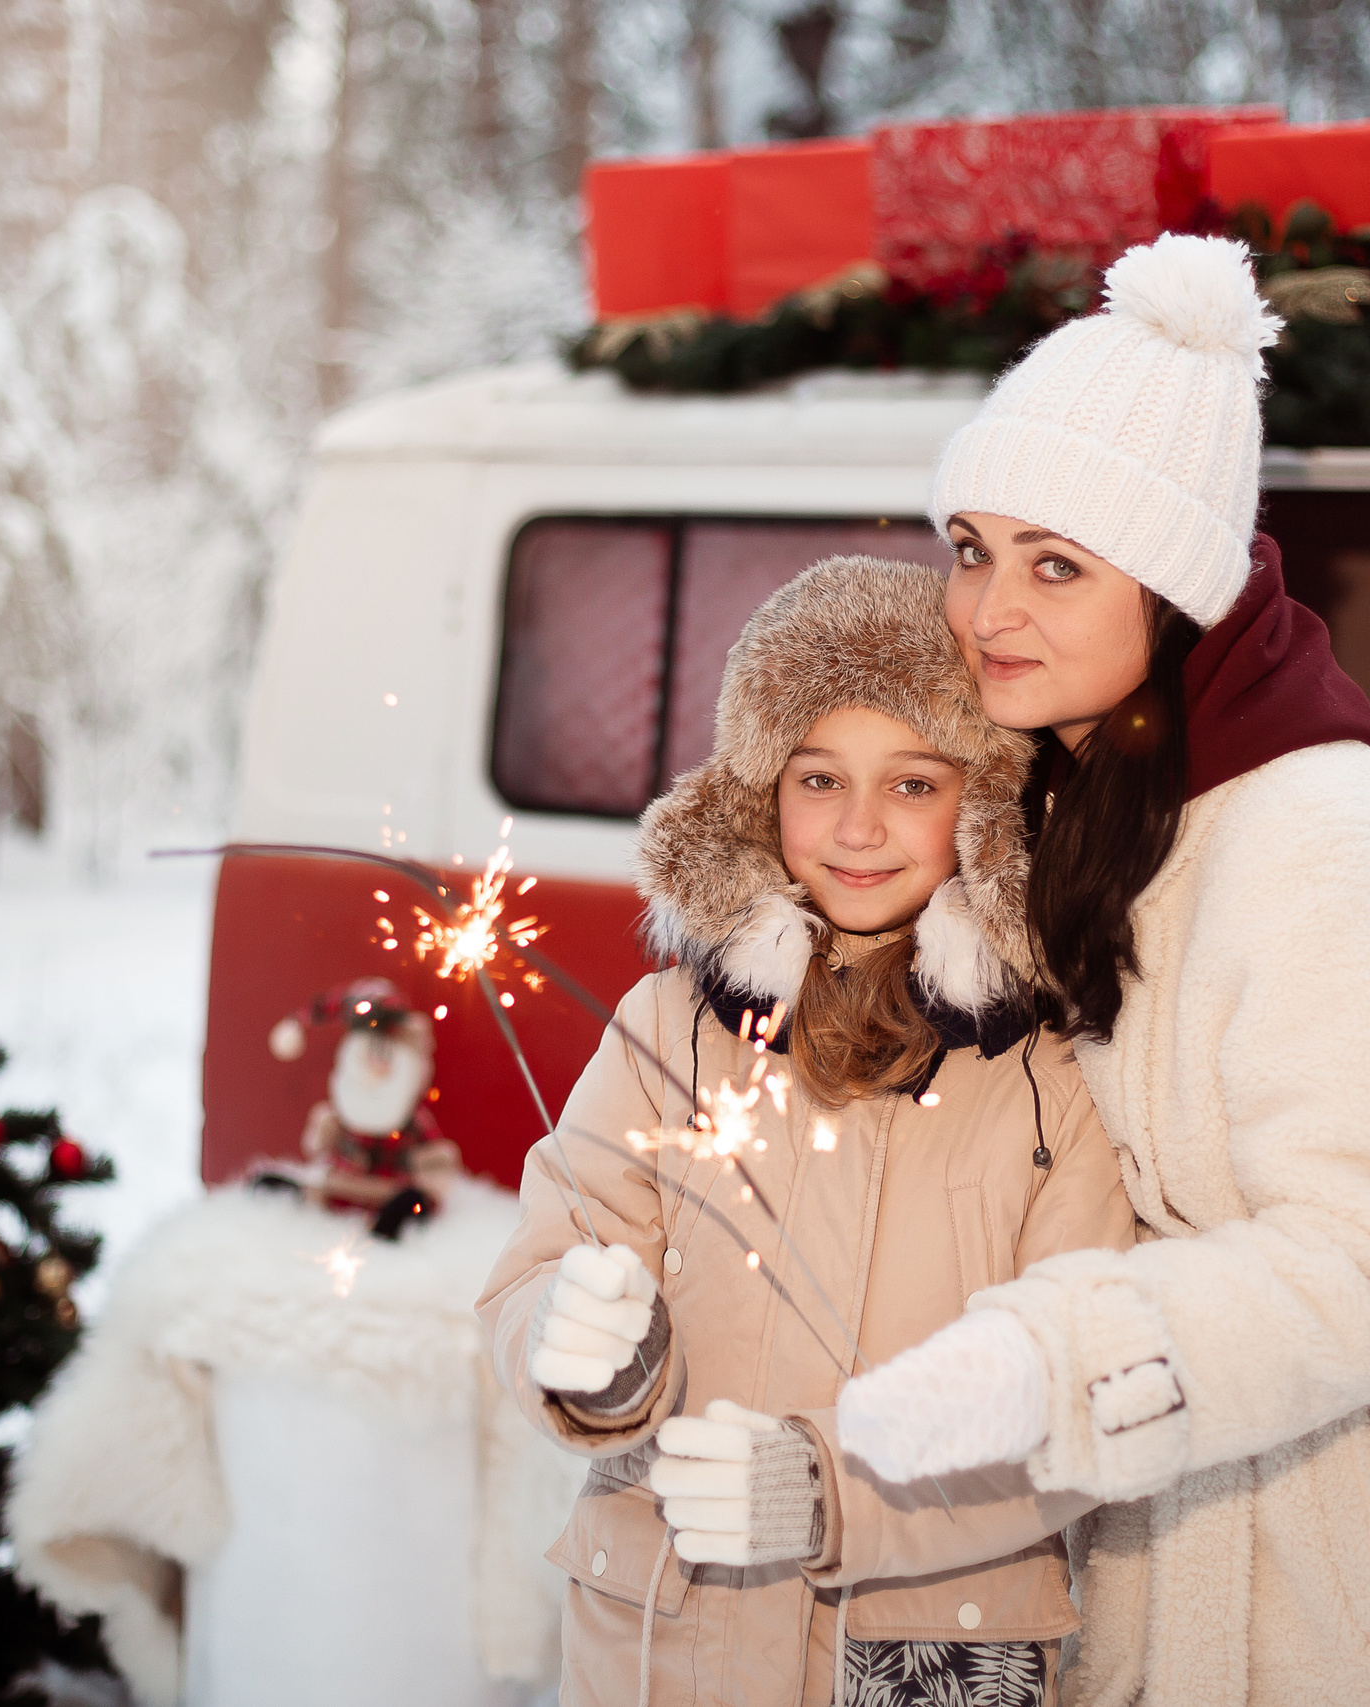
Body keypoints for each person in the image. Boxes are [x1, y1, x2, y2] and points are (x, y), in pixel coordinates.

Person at [832, 234, 1370, 1705]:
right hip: (1208, 1511)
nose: (988, 609)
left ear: (1179, 587)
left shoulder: (1321, 834)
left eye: (1057, 563)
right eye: (974, 547)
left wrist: (1050, 1355)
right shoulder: (1089, 794)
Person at [477, 556, 1138, 1707]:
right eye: (819, 778)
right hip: (668, 1648)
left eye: (916, 784)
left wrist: (832, 1494)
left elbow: (1079, 1393)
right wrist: (581, 1348)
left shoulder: (1046, 1074)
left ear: (983, 810)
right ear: (757, 795)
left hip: (918, 1651)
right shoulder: (669, 1029)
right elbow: (541, 1266)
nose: (861, 827)